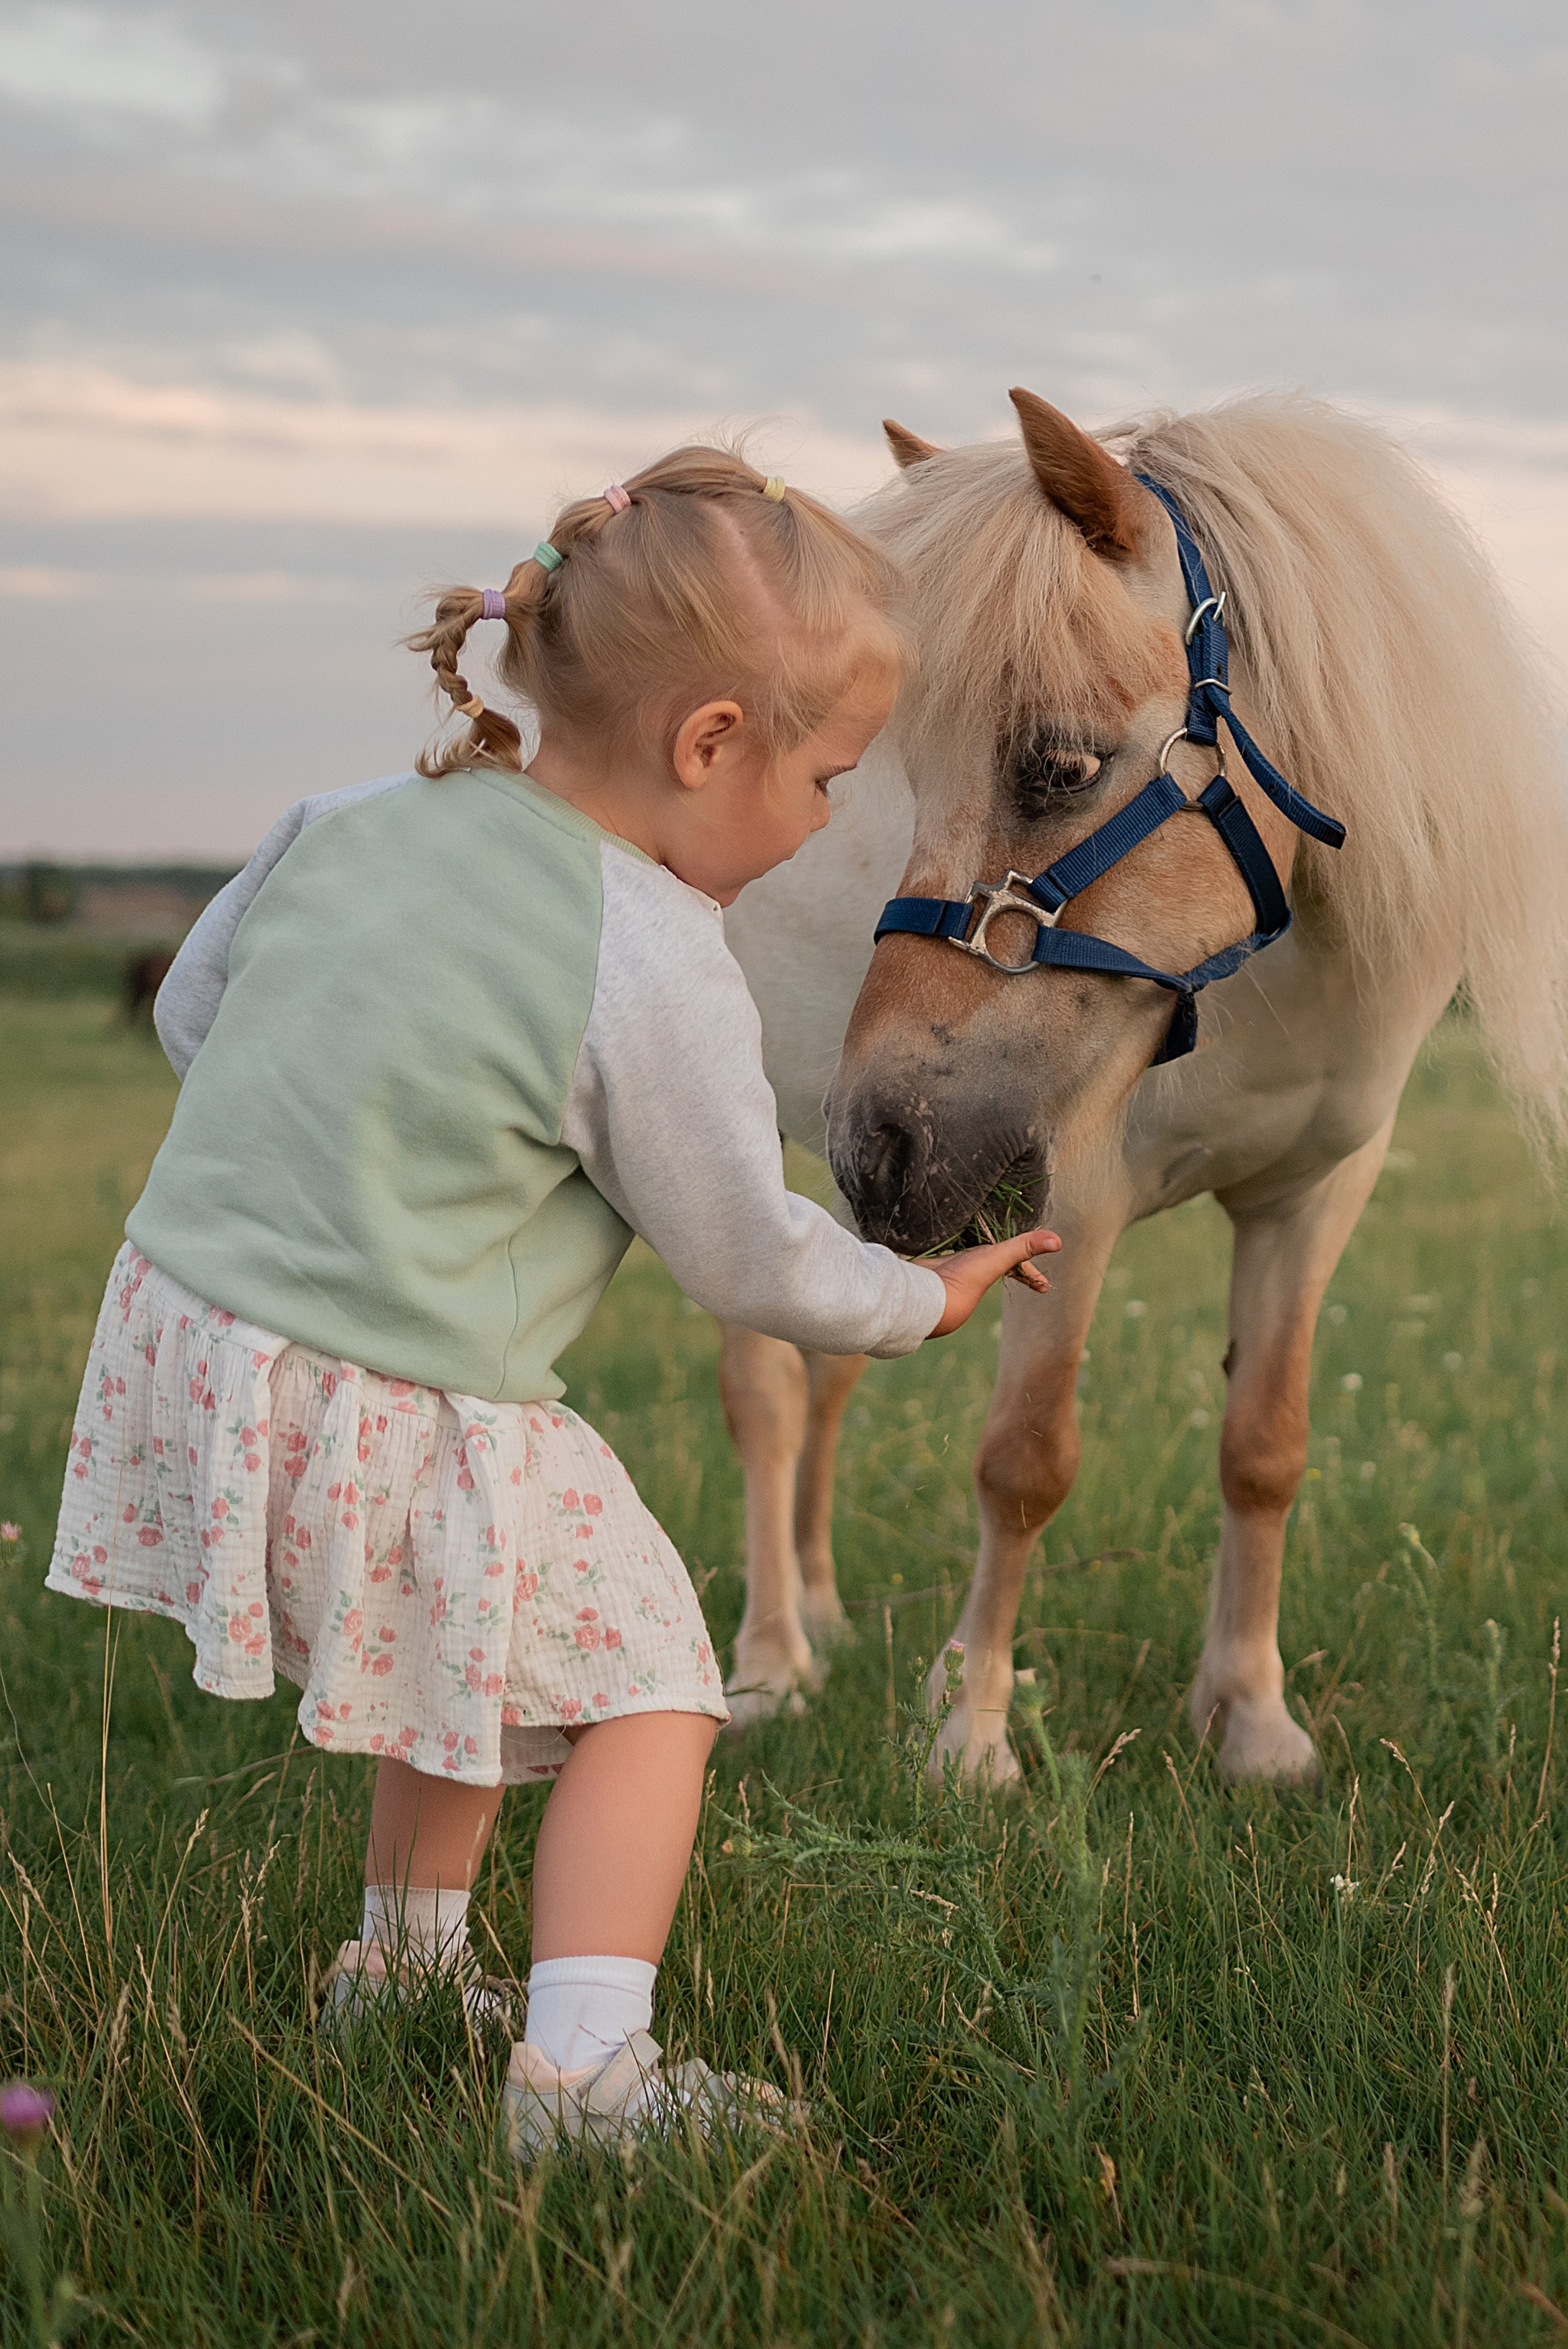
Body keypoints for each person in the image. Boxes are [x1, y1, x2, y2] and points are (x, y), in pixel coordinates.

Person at [46, 447, 1059, 2152]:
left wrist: (360, 1154)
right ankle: (587, 2075)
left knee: (445, 1649)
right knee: (650, 1686)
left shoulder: (349, 817)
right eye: (827, 777)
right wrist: (921, 1298)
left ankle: (403, 1975)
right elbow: (743, 1253)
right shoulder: (650, 953)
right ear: (708, 742)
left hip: (201, 1342)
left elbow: (195, 1018)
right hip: (401, 1389)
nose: (829, 821)